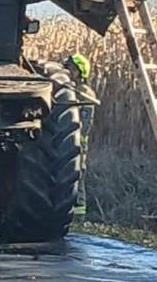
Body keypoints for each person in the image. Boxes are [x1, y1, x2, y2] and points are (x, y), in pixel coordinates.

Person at [65, 53, 95, 218]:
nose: (68, 70)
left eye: (71, 68)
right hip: (71, 138)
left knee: (78, 173)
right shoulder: (70, 89)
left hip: (79, 140)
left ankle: (79, 212)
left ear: (79, 72)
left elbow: (85, 121)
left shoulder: (84, 93)